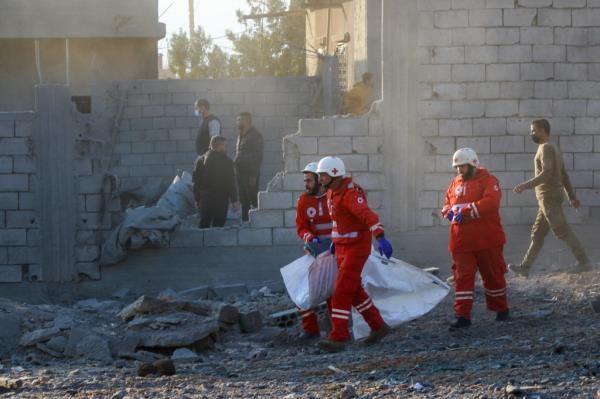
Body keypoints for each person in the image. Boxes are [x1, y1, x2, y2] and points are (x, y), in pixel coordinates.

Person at [316, 156, 392, 352]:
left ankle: (339, 336)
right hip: (342, 247)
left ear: (335, 175)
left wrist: (380, 235)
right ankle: (378, 326)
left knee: (341, 290)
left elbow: (367, 214)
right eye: (320, 177)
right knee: (354, 290)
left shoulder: (350, 194)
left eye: (324, 177)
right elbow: (338, 222)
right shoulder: (332, 192)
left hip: (356, 248)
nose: (321, 181)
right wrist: (335, 243)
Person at [510, 119, 592, 277]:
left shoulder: (546, 148)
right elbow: (564, 175)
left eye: (534, 130)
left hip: (548, 198)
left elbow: (547, 173)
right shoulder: (553, 147)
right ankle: (525, 267)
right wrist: (572, 197)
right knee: (538, 234)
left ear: (542, 130)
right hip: (546, 200)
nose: (531, 133)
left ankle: (584, 262)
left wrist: (525, 185)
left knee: (563, 231)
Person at [441, 148, 509, 331]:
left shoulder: (488, 180)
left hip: (487, 239)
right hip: (461, 241)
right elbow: (447, 203)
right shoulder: (455, 183)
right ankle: (462, 316)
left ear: (472, 164)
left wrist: (464, 212)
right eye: (457, 167)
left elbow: (491, 203)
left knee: (493, 275)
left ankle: (501, 310)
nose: (459, 171)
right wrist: (448, 213)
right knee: (462, 279)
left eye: (462, 167)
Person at [295, 162, 333, 341]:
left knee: (333, 291)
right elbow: (301, 227)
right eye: (305, 181)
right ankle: (310, 329)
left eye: (309, 180)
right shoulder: (303, 200)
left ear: (319, 180)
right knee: (302, 290)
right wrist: (309, 237)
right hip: (313, 252)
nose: (306, 184)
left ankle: (338, 329)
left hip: (334, 251)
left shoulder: (333, 197)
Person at [192, 136, 239, 228]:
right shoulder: (227, 161)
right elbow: (230, 182)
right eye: (225, 146)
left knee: (203, 226)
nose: (225, 148)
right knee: (218, 229)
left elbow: (196, 182)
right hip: (220, 201)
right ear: (220, 146)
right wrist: (234, 200)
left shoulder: (200, 161)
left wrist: (197, 199)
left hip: (205, 200)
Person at [234, 112, 264, 222]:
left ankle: (255, 222)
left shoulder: (256, 136)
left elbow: (258, 157)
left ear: (246, 120)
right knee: (243, 199)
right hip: (240, 172)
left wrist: (253, 175)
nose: (237, 122)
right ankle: (245, 222)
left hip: (250, 174)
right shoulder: (241, 135)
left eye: (239, 120)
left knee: (252, 199)